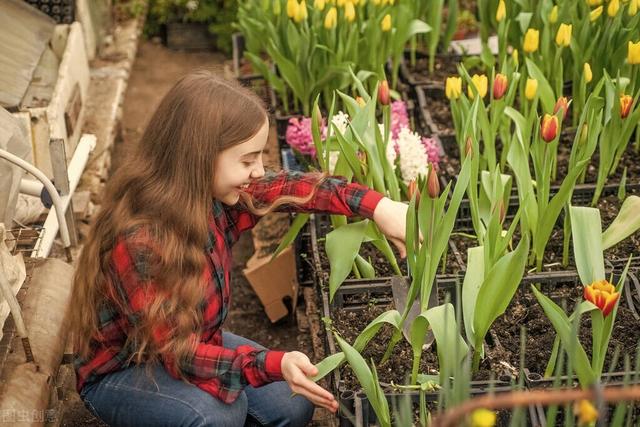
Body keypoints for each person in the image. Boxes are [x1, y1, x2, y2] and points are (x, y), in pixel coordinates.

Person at [69, 70, 409, 427]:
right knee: (218, 415)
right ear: (199, 156)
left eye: (260, 157)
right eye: (247, 161)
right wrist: (272, 363)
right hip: (127, 368)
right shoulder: (141, 241)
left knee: (293, 405)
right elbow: (176, 353)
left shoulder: (211, 196)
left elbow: (290, 187)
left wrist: (379, 207)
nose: (259, 171)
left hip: (197, 340)